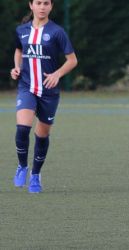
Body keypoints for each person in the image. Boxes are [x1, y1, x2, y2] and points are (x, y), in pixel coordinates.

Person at [10, 0, 78, 193]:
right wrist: (17, 67)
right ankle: (22, 166)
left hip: (49, 92)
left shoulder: (57, 32)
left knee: (42, 135)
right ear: (31, 5)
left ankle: (36, 175)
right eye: (38, 3)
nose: (42, 7)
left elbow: (72, 60)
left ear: (51, 6)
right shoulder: (21, 30)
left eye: (46, 3)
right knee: (23, 128)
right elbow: (19, 50)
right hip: (27, 87)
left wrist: (57, 74)